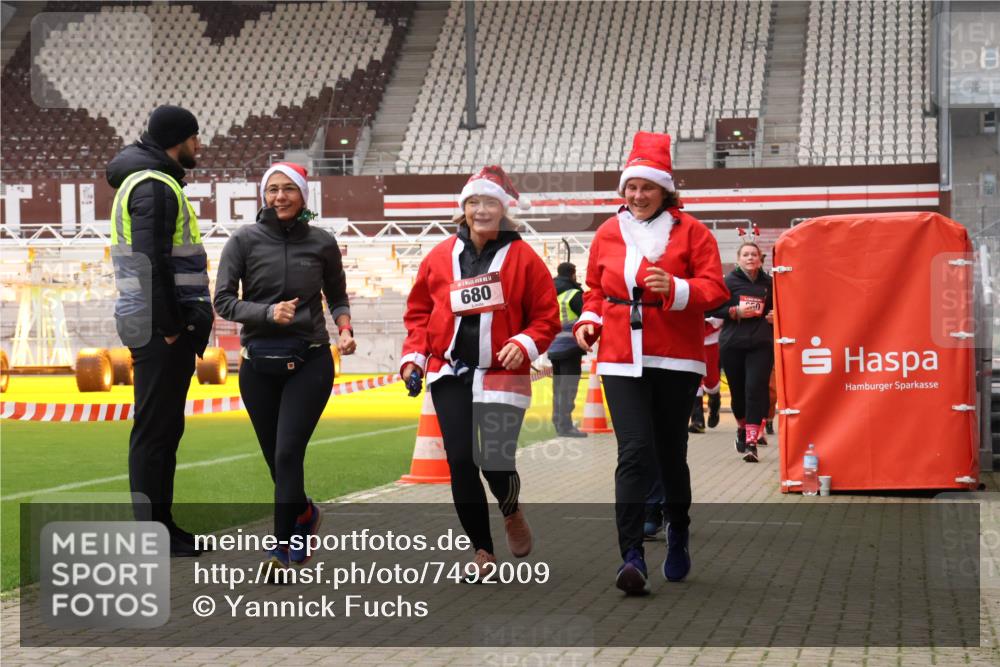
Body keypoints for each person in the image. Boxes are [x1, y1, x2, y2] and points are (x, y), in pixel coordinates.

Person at [574, 132, 728, 595]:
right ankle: (632, 556)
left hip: (675, 356)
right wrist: (588, 319)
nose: (638, 196)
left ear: (665, 190)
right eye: (631, 187)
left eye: (647, 187)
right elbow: (595, 289)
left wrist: (677, 288)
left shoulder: (693, 232)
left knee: (669, 455)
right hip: (620, 355)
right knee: (634, 452)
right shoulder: (607, 231)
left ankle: (678, 529)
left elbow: (717, 291)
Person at [400, 166, 560, 578]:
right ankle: (482, 551)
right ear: (463, 209)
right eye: (473, 202)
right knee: (460, 460)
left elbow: (545, 316)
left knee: (494, 460)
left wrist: (522, 343)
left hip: (501, 373)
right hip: (450, 371)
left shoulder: (524, 258)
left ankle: (511, 510)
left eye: (489, 202)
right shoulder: (439, 257)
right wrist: (414, 358)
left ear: (502, 209)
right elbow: (419, 313)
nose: (480, 210)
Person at [214, 162, 355, 578]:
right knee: (277, 461)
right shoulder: (242, 241)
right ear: (264, 195)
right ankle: (307, 513)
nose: (280, 197)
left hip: (310, 360)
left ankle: (280, 552)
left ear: (303, 195)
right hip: (258, 364)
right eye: (273, 189)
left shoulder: (323, 243)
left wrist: (344, 327)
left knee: (289, 451)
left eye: (288, 189)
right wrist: (265, 312)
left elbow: (338, 295)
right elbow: (222, 301)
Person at [107, 105, 213, 557]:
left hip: (152, 325)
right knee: (155, 431)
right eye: (194, 137)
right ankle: (154, 533)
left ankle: (162, 527)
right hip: (159, 329)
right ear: (177, 140)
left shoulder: (151, 180)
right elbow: (152, 262)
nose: (199, 145)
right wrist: (172, 327)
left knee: (163, 429)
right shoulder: (153, 186)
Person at [707, 236, 774, 463]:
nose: (750, 258)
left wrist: (776, 316)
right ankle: (742, 429)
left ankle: (751, 441)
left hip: (761, 344)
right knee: (738, 394)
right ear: (738, 259)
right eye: (745, 255)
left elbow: (781, 307)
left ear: (760, 259)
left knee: (755, 389)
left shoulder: (769, 283)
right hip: (733, 344)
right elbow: (713, 308)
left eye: (754, 255)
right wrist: (735, 311)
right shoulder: (729, 282)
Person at [547, 262, 587, 438]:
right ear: (573, 274)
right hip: (570, 347)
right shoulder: (574, 294)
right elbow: (585, 317)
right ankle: (565, 426)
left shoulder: (549, 291)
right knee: (568, 389)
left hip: (553, 347)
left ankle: (558, 422)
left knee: (558, 388)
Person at [688, 317, 724, 433]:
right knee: (693, 376)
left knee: (711, 382)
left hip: (710, 338)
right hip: (689, 335)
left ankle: (715, 400)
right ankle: (697, 420)